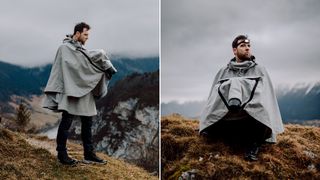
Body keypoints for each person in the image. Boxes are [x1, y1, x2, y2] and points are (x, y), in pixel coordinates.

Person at [42, 22, 117, 165]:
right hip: (70, 90)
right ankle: (62, 154)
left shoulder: (81, 49)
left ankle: (89, 154)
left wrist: (103, 66)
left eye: (88, 34)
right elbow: (72, 67)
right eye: (85, 34)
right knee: (66, 122)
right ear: (77, 33)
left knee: (88, 122)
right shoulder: (65, 48)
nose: (87, 37)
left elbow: (85, 64)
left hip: (84, 90)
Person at [200, 35, 284, 161]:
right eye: (243, 45)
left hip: (251, 120)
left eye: (249, 46)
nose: (247, 48)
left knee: (262, 121)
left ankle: (252, 148)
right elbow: (213, 99)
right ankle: (228, 143)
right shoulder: (223, 71)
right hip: (227, 120)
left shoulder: (260, 70)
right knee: (211, 126)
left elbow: (267, 98)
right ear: (234, 50)